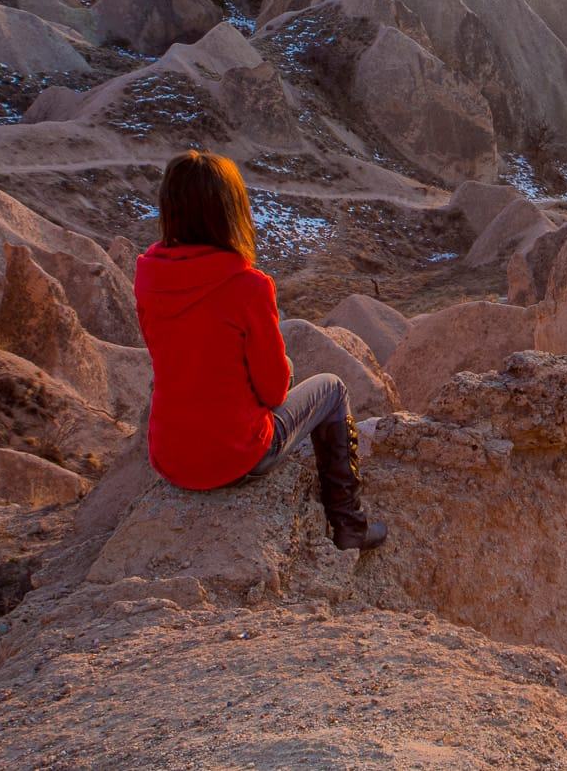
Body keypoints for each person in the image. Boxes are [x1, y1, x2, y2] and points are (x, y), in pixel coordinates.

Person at [133, 150, 386, 551]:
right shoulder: (247, 286)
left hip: (169, 459)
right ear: (229, 210)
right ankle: (349, 522)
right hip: (235, 457)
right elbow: (272, 393)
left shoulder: (149, 276)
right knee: (333, 388)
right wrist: (283, 364)